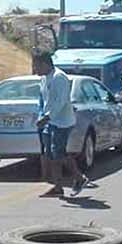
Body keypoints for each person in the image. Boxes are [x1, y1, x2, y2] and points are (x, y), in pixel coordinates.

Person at [33, 52, 84, 197]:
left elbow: (61, 102)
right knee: (50, 155)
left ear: (45, 64)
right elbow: (43, 101)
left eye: (36, 65)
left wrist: (48, 117)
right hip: (49, 121)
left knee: (58, 154)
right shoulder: (44, 79)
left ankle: (79, 178)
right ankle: (57, 187)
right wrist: (42, 116)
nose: (34, 69)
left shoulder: (59, 77)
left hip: (62, 122)